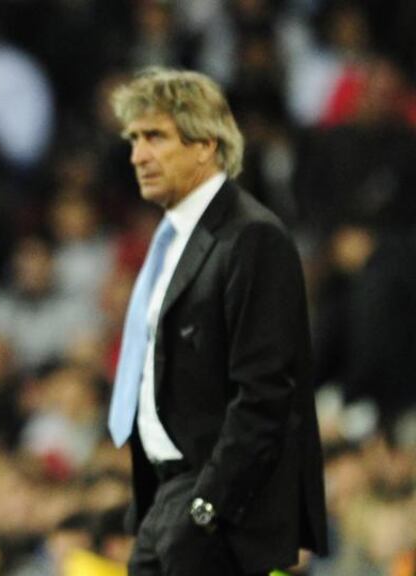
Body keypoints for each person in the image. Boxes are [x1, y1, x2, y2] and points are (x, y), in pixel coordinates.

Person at [105, 67, 328, 576]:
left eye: (155, 137)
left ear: (206, 144)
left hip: (216, 513)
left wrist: (207, 508)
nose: (138, 155)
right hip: (164, 499)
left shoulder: (252, 239)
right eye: (134, 139)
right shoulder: (168, 242)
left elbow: (265, 393)